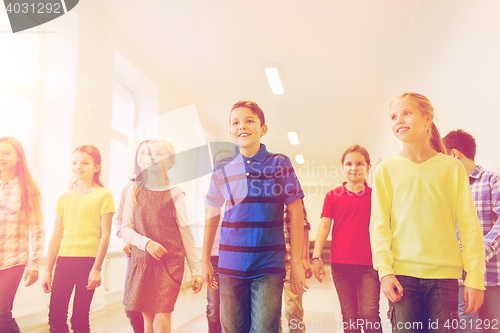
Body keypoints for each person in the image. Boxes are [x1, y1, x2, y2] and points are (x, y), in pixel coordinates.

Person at [369, 92, 485, 333]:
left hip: (444, 280)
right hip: (402, 278)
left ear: (427, 119)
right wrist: (385, 272)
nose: (398, 120)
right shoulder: (385, 170)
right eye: (393, 117)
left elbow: (469, 226)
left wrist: (475, 277)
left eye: (406, 113)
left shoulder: (452, 168)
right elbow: (379, 226)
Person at [202, 100, 308, 333]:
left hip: (268, 265)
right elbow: (212, 213)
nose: (243, 126)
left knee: (264, 329)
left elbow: (296, 211)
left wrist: (298, 263)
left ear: (263, 128)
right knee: (232, 329)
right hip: (229, 264)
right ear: (230, 131)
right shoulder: (222, 169)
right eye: (236, 122)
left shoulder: (279, 163)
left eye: (250, 120)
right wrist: (204, 261)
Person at [120, 139, 203, 333]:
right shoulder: (133, 190)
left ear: (170, 161)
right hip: (143, 263)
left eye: (158, 154)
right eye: (148, 154)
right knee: (148, 323)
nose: (151, 158)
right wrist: (146, 243)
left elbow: (186, 234)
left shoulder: (175, 194)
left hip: (169, 265)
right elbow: (125, 228)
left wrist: (196, 271)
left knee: (161, 321)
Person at [42, 145, 115, 333]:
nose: (78, 167)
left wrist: (97, 268)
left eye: (85, 162)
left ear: (96, 167)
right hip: (64, 261)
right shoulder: (64, 198)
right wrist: (48, 270)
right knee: (55, 316)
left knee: (80, 317)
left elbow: (105, 234)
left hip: (88, 262)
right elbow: (56, 235)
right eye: (74, 162)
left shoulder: (104, 195)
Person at [312, 144, 382, 333]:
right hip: (341, 265)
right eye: (349, 163)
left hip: (370, 264)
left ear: (368, 167)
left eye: (360, 163)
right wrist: (316, 257)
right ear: (342, 167)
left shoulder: (376, 197)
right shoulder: (333, 196)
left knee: (369, 314)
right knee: (350, 316)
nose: (354, 168)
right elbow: (324, 227)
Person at [443, 129, 500, 333]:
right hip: (461, 278)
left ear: (454, 154)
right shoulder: (449, 190)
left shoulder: (492, 181)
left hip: (493, 277)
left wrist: (479, 251)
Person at [0, 137, 44, 333]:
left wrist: (34, 264)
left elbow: (38, 229)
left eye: (6, 153)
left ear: (19, 157)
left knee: (1, 312)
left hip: (13, 261)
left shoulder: (28, 190)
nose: (2, 157)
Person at [114, 140, 150, 333]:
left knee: (152, 306)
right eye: (142, 152)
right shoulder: (128, 188)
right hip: (134, 254)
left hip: (155, 254)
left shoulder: (166, 189)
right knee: (131, 305)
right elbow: (119, 221)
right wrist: (126, 238)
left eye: (150, 152)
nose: (146, 157)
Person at [205, 148, 232, 333]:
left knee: (232, 310)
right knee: (213, 309)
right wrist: (204, 259)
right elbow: (208, 228)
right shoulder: (209, 196)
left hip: (234, 258)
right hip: (214, 258)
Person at [281, 199, 312, 333]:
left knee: (294, 308)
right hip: (269, 261)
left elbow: (304, 225)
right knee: (271, 311)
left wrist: (304, 258)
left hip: (290, 261)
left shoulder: (292, 194)